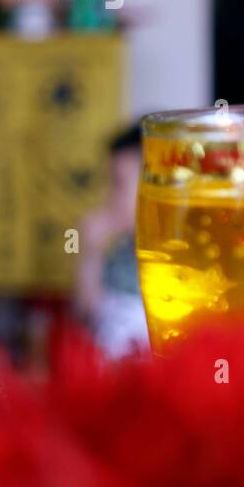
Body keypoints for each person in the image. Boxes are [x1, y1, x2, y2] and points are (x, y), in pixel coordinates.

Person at [73, 123, 149, 357]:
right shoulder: (119, 253)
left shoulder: (172, 260)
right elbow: (86, 313)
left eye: (117, 183)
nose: (109, 196)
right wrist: (90, 253)